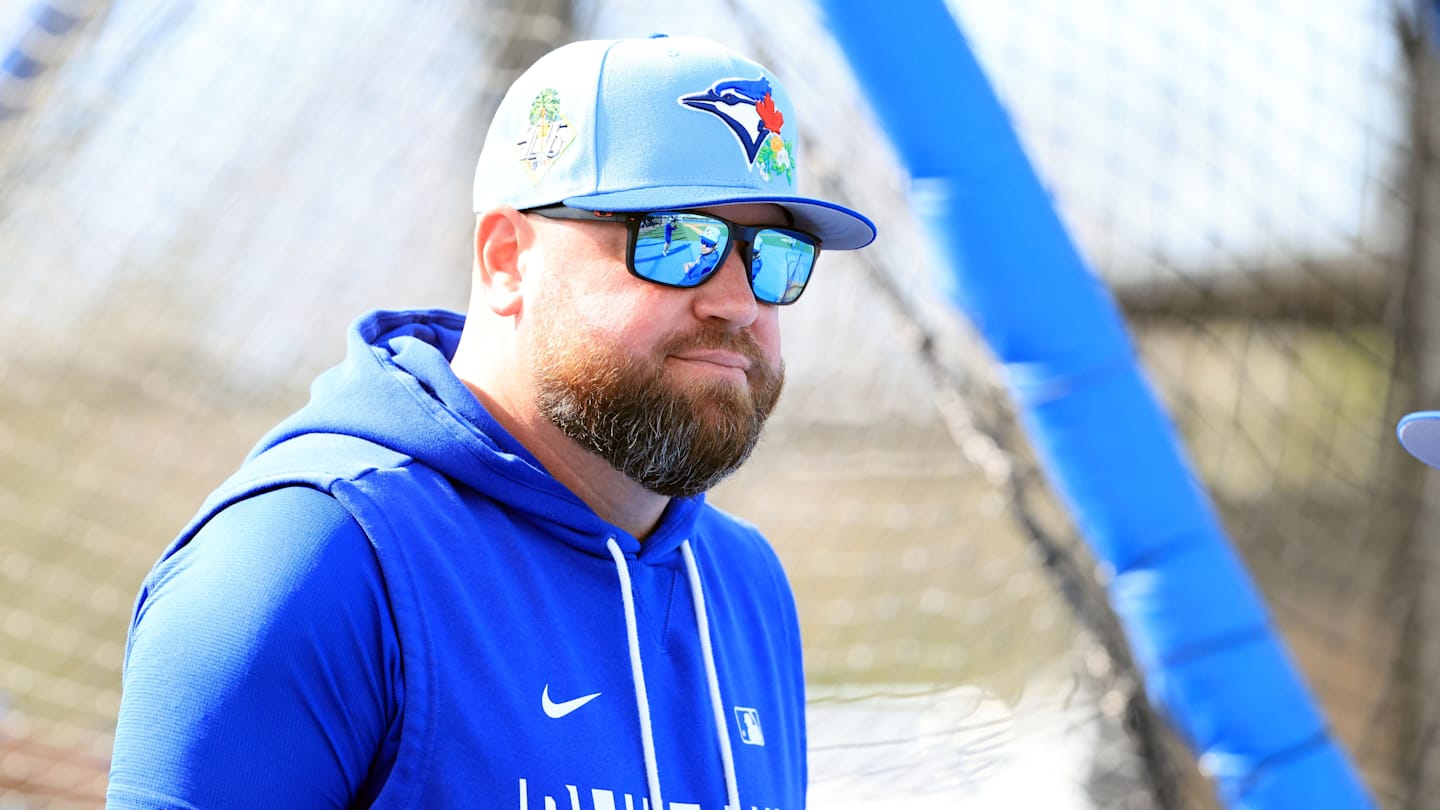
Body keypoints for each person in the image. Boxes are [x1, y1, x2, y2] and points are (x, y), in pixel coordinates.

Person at [106, 34, 875, 809]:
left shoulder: (744, 584)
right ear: (508, 258)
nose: (738, 300)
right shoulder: (306, 564)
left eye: (772, 254)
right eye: (677, 241)